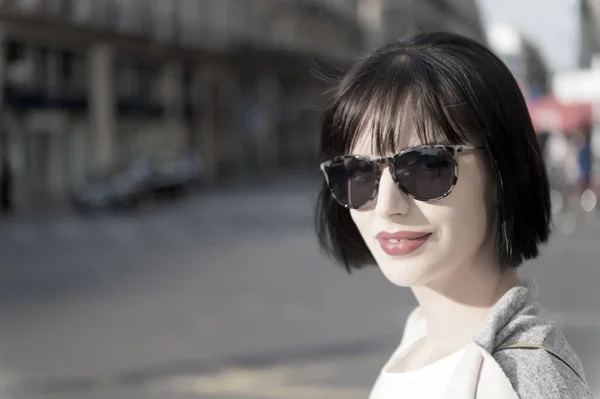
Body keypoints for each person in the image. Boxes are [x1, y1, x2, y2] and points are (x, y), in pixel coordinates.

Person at [315, 32, 594, 398]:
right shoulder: (421, 337)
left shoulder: (514, 379)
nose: (386, 205)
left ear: (502, 172)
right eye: (357, 173)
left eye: (425, 166)